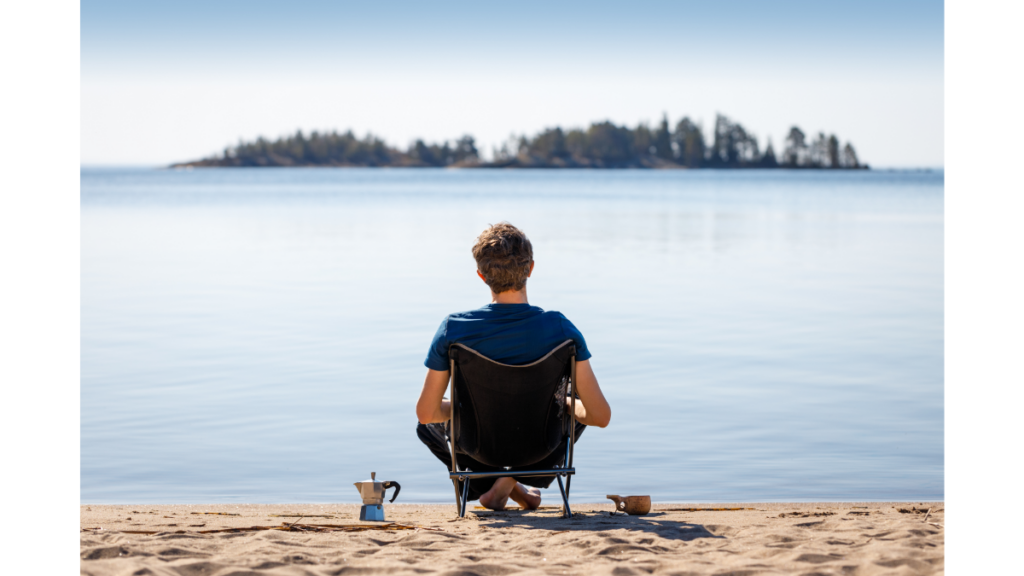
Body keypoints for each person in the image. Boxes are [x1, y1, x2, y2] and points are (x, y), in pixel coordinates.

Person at [415, 222, 611, 511]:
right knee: (577, 396)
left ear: (482, 275)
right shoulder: (561, 329)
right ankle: (511, 485)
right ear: (530, 268)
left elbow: (427, 412)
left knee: (427, 428)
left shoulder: (453, 329)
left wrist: (459, 409)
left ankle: (501, 485)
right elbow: (600, 416)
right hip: (541, 451)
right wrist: (567, 404)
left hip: (477, 450)